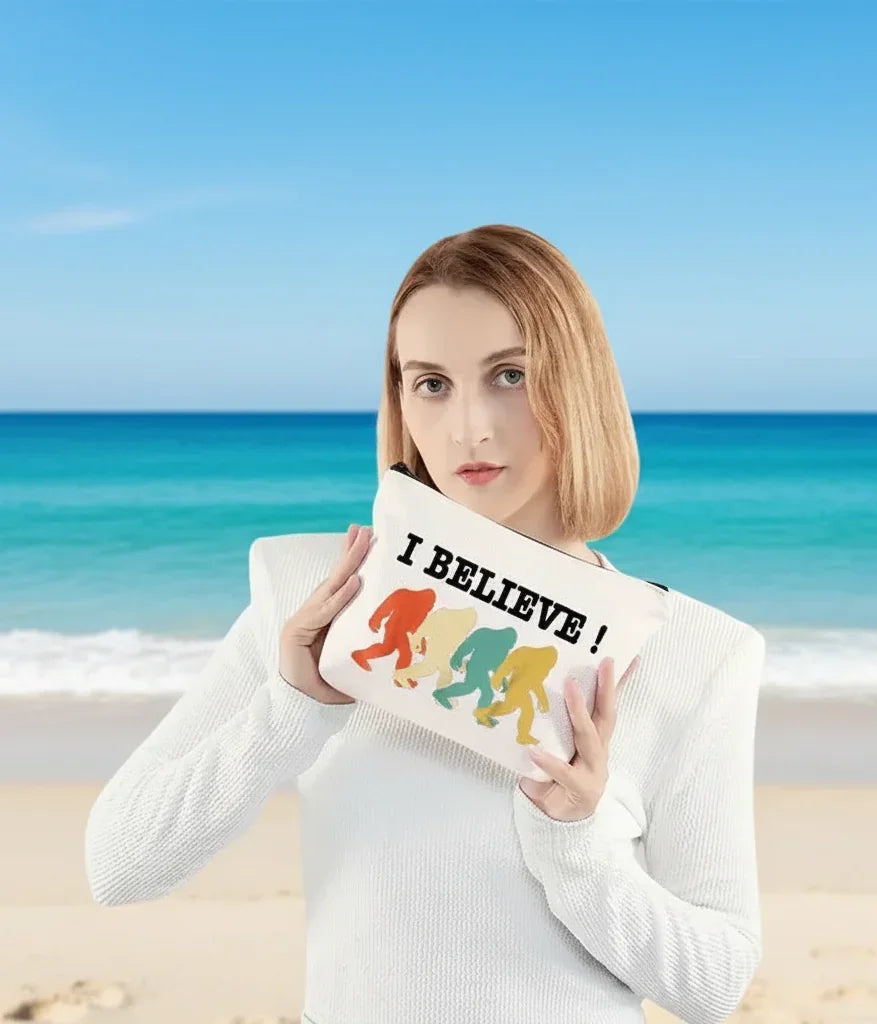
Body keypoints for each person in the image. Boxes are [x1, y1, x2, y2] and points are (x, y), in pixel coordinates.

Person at [84, 224, 766, 1024]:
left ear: (575, 385)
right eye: (431, 383)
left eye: (509, 375)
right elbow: (118, 862)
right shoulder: (314, 594)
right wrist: (294, 707)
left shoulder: (694, 652)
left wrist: (577, 846)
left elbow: (715, 982)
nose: (468, 427)